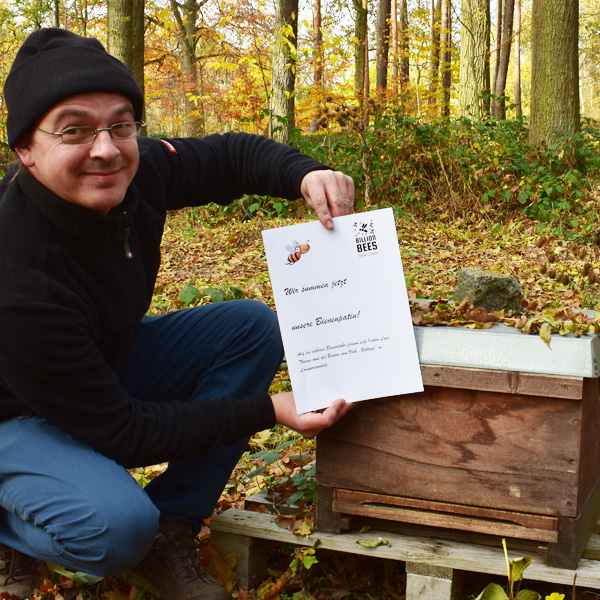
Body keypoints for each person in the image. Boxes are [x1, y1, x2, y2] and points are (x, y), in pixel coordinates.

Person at [0, 28, 354, 600]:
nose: (106, 148)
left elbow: (230, 156)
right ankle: (17, 528)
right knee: (116, 529)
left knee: (248, 327)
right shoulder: (17, 276)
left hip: (93, 369)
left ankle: (173, 526)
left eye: (121, 123)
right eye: (74, 130)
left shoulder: (135, 170)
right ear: (25, 149)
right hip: (10, 416)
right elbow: (124, 432)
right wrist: (269, 409)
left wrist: (304, 173)